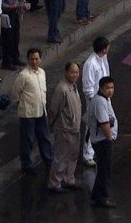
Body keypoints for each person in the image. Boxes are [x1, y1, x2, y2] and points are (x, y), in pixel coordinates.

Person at [12, 47, 54, 174]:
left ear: (40, 59)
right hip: (28, 114)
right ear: (28, 60)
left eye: (36, 59)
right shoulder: (23, 75)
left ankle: (48, 160)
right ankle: (26, 164)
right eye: (32, 59)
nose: (34, 62)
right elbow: (15, 93)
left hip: (41, 111)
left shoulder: (42, 72)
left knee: (44, 138)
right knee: (28, 140)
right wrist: (22, 104)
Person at [47, 61, 81, 193]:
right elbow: (54, 109)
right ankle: (54, 182)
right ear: (66, 72)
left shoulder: (73, 86)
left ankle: (68, 178)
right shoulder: (62, 89)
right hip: (64, 128)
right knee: (61, 156)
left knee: (72, 155)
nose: (75, 75)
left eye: (77, 72)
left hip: (74, 127)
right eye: (72, 72)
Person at [87, 76, 117, 208]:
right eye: (107, 88)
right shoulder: (100, 101)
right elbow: (104, 123)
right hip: (102, 140)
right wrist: (110, 139)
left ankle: (96, 193)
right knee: (105, 170)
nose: (110, 90)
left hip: (103, 139)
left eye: (112, 87)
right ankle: (103, 197)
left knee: (102, 169)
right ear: (101, 88)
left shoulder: (105, 99)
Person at [82, 36, 111, 167]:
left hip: (105, 98)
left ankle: (98, 149)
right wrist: (94, 101)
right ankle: (88, 154)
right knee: (92, 126)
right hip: (95, 100)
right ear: (104, 49)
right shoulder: (90, 63)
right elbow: (88, 86)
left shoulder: (103, 59)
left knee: (104, 123)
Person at [0, 0, 27, 70]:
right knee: (8, 39)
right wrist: (12, 6)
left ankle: (15, 58)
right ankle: (7, 61)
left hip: (15, 15)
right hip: (8, 14)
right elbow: (1, 4)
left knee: (16, 37)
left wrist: (21, 2)